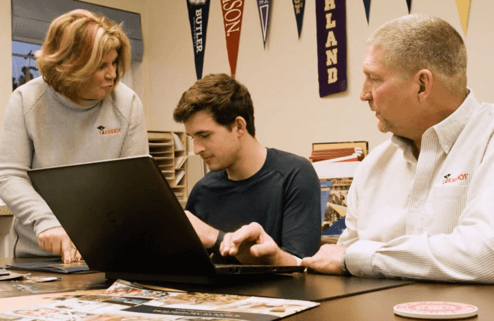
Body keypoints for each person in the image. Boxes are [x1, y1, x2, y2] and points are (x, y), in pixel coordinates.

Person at [220, 13, 494, 283]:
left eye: (373, 78)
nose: (363, 94)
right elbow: (341, 264)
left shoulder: (487, 140)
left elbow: (486, 254)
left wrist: (356, 258)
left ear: (422, 85)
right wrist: (281, 263)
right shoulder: (374, 166)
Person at [0, 9, 149, 262]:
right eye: (101, 66)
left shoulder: (127, 103)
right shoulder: (26, 99)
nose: (112, 74)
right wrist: (46, 221)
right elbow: (9, 175)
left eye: (114, 63)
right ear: (70, 65)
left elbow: (135, 183)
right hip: (38, 253)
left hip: (105, 252)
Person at [173, 73, 320, 265]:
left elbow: (302, 271)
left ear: (239, 126)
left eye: (205, 135)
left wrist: (215, 238)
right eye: (192, 137)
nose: (196, 148)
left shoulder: (295, 176)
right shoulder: (203, 190)